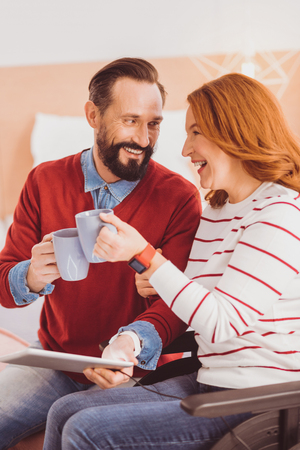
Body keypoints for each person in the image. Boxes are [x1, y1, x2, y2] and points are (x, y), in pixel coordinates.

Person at [42, 72, 300, 450]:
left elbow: (221, 323)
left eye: (195, 132)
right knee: (64, 411)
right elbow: (195, 305)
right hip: (210, 378)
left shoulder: (279, 213)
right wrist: (132, 334)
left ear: (232, 132)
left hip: (258, 396)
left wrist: (145, 257)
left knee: (88, 430)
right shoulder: (218, 209)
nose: (183, 150)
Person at [0, 57, 201, 448]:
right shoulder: (44, 180)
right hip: (57, 358)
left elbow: (177, 305)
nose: (144, 139)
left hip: (133, 370)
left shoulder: (179, 198)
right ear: (93, 115)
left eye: (154, 124)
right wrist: (30, 275)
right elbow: (3, 283)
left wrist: (126, 347)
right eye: (130, 120)